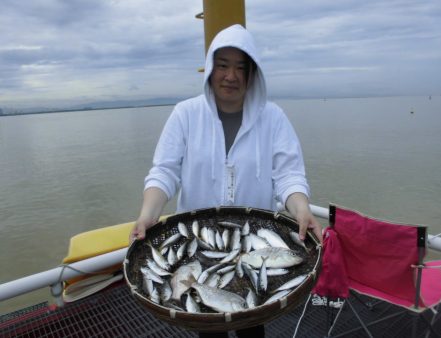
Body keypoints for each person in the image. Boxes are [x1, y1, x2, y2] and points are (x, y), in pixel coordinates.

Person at [129, 24, 323, 338]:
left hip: (253, 244)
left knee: (252, 325)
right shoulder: (185, 115)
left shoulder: (273, 118)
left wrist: (301, 209)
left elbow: (289, 175)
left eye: (239, 68)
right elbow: (164, 172)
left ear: (252, 75)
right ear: (209, 69)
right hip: (198, 249)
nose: (230, 76)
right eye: (222, 66)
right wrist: (147, 214)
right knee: (208, 326)